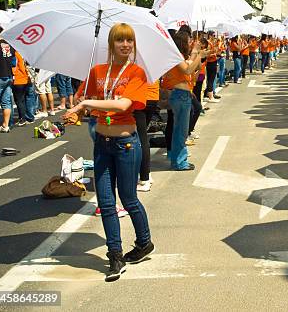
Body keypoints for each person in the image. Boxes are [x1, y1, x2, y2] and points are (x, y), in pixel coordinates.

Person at [64, 23, 154, 282]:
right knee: (105, 203)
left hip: (126, 145)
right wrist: (76, 112)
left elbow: (123, 104)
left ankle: (144, 242)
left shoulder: (137, 73)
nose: (125, 45)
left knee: (128, 199)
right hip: (102, 143)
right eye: (120, 41)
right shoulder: (96, 71)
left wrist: (86, 103)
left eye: (129, 41)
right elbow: (85, 103)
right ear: (111, 44)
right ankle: (115, 255)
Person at [162, 32, 203, 171]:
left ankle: (179, 159)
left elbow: (190, 65)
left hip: (182, 95)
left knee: (180, 130)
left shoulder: (178, 56)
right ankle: (179, 162)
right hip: (180, 95)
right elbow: (188, 69)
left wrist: (196, 52)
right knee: (181, 131)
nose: (190, 42)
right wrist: (200, 55)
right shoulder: (176, 56)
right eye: (188, 40)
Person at [134, 80, 160, 192]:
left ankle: (145, 178)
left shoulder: (136, 64)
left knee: (142, 139)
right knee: (143, 137)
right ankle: (146, 173)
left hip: (140, 98)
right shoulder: (152, 62)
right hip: (153, 97)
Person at [0, 26, 16, 132]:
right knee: (6, 102)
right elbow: (14, 62)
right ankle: (6, 125)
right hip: (9, 76)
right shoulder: (10, 45)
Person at [11, 50, 35, 126]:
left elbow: (14, 67)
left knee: (19, 100)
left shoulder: (14, 54)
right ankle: (30, 117)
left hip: (18, 79)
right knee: (26, 98)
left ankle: (22, 118)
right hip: (26, 78)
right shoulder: (22, 53)